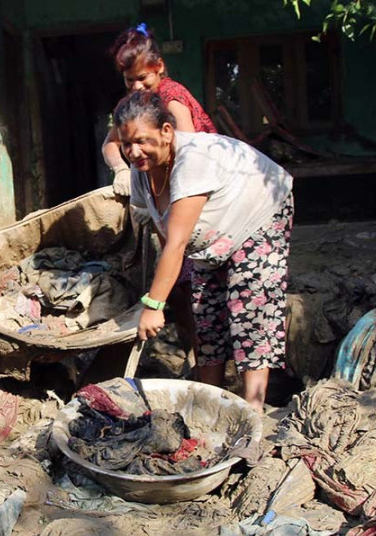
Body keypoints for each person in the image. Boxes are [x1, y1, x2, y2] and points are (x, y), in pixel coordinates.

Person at [114, 91, 293, 413]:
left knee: (249, 308)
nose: (134, 151)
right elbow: (163, 231)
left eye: (141, 141)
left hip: (259, 211)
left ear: (166, 131)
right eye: (127, 144)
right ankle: (208, 403)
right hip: (212, 234)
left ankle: (252, 409)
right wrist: (167, 283)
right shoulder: (141, 171)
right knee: (206, 310)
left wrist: (154, 305)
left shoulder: (193, 160)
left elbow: (177, 242)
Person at [102, 24, 217, 379]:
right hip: (162, 198)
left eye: (143, 78)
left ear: (160, 68)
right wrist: (122, 170)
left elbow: (189, 153)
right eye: (129, 81)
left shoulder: (172, 97)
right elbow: (111, 144)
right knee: (178, 286)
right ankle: (194, 355)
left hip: (197, 197)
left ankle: (210, 362)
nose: (137, 87)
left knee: (196, 282)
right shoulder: (130, 107)